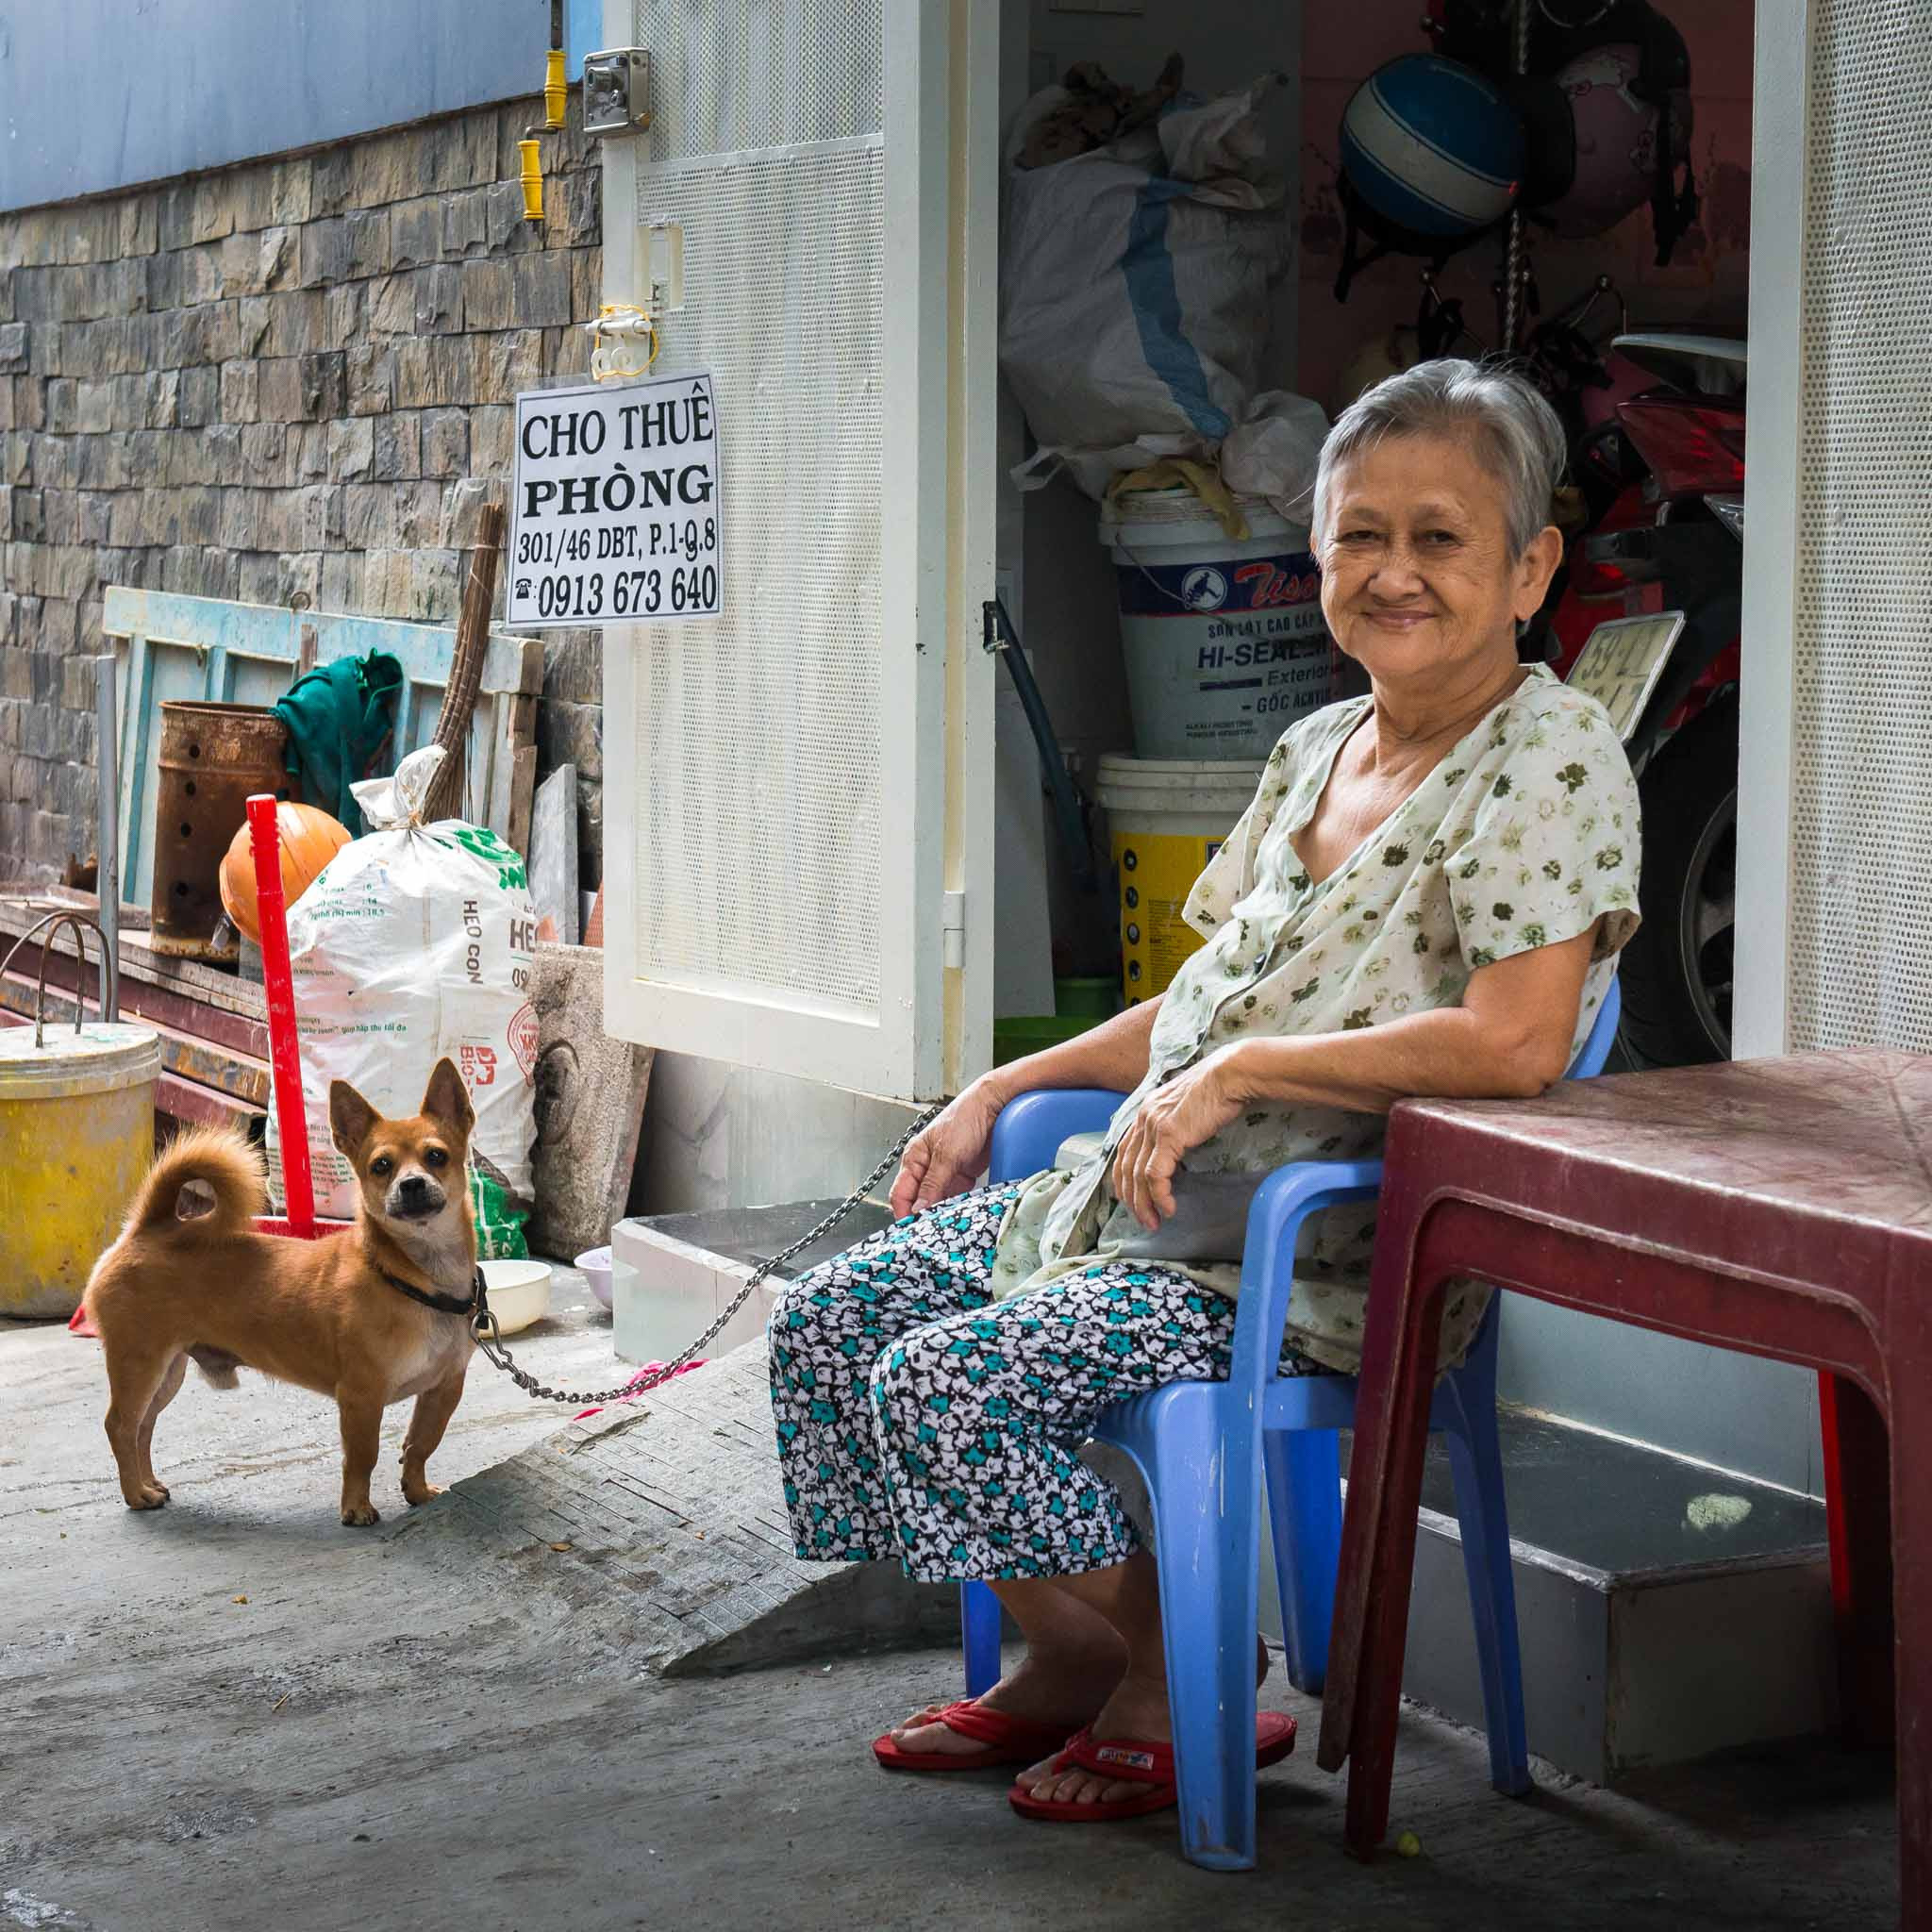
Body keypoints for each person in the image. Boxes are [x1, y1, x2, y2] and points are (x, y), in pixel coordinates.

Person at [768, 358, 1641, 1825]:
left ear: (1529, 566)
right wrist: (1002, 1083)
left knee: (939, 1385)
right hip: (1144, 1209)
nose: (1395, 572)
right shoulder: (1314, 747)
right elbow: (1199, 1006)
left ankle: (1186, 1674)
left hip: (1311, 1260)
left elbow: (1517, 1043)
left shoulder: (1546, 752)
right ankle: (1077, 1650)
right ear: (1317, 557)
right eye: (1361, 535)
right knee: (827, 1328)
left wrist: (1243, 1076)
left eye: (1441, 537)